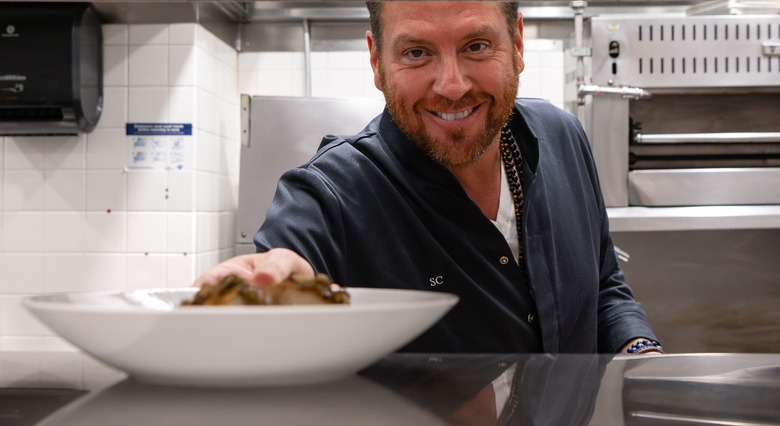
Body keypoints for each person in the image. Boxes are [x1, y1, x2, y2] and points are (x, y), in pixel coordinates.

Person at [195, 1, 661, 355]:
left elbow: (602, 287)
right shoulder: (330, 194)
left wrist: (639, 353)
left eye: (476, 46)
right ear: (377, 62)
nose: (452, 85)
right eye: (417, 53)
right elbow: (286, 270)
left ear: (517, 44)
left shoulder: (563, 137)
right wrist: (273, 289)